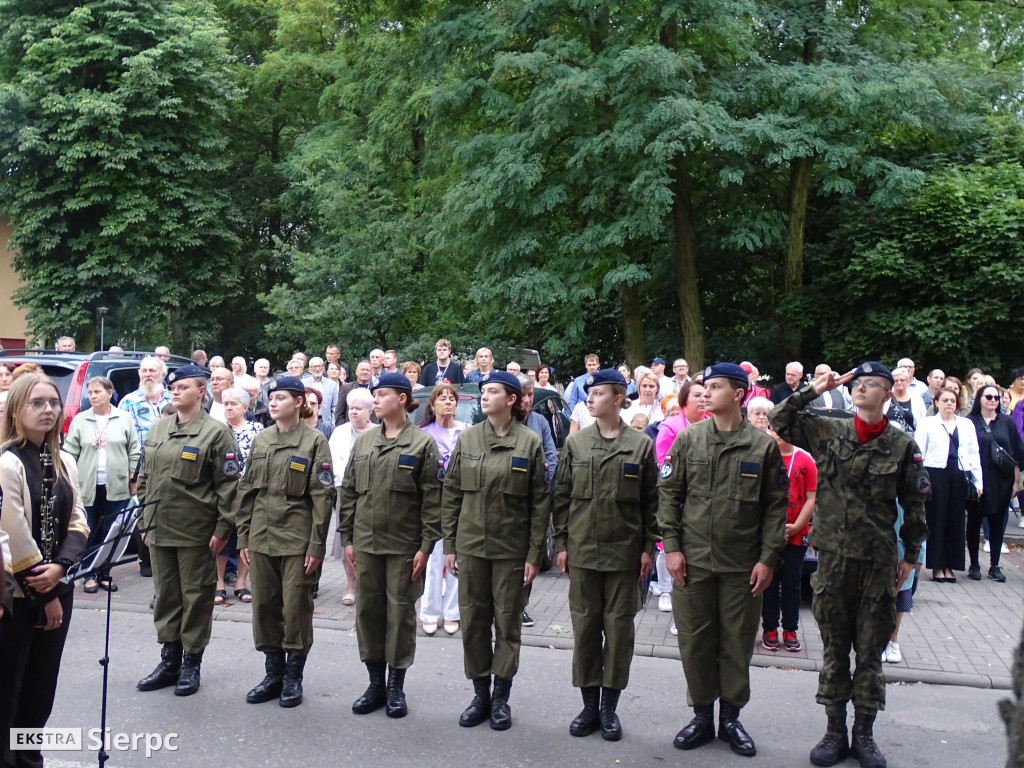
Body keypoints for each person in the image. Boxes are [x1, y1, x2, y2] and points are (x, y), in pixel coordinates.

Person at [769, 361, 930, 768]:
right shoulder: (830, 429)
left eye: (871, 384)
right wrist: (813, 388)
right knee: (835, 650)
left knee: (871, 653)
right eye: (857, 384)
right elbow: (779, 419)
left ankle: (865, 734)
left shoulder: (902, 445)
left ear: (887, 394)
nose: (861, 389)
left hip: (877, 562)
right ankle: (834, 730)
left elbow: (915, 505)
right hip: (834, 561)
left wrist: (911, 556)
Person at [659, 363, 787, 758]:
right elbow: (667, 496)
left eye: (715, 387)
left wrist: (768, 559)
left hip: (741, 565)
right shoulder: (688, 440)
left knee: (736, 644)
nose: (705, 393)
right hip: (693, 561)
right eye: (704, 387)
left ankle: (731, 718)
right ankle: (701, 716)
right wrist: (673, 548)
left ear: (738, 394)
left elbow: (775, 508)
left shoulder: (762, 446)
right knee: (696, 642)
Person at [552, 369, 658, 741]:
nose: (590, 399)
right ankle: (588, 705)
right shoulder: (576, 445)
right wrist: (561, 544)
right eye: (589, 393)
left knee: (618, 632)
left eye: (597, 393)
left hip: (625, 554)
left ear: (617, 399)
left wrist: (648, 549)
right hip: (582, 551)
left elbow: (651, 503)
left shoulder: (640, 445)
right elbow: (561, 497)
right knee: (584, 630)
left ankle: (609, 708)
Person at [441, 371, 548, 731]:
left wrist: (534, 554)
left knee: (507, 624)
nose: (484, 396)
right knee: (472, 623)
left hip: (512, 551)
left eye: (492, 391)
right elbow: (452, 493)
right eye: (483, 391)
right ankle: (480, 693)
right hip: (471, 547)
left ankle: (501, 697)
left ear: (512, 399)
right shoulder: (468, 439)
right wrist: (450, 546)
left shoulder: (529, 442)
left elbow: (539, 503)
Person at [338, 373, 442, 718]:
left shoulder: (421, 444)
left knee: (400, 617)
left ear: (402, 399)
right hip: (366, 543)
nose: (376, 400)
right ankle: (374, 684)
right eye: (374, 395)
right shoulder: (365, 443)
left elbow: (431, 500)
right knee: (368, 613)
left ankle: (396, 686)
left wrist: (426, 546)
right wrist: (347, 538)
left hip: (403, 545)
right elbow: (349, 491)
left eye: (382, 394)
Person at [0, 373, 89, 768]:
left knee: (41, 686)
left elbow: (80, 520)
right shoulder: (7, 462)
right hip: (20, 595)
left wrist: (62, 568)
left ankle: (29, 756)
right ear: (16, 409)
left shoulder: (65, 458)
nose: (48, 409)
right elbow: (13, 532)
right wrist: (46, 592)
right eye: (37, 403)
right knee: (9, 687)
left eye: (53, 402)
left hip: (58, 584)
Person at [135, 364, 238, 697]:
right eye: (173, 387)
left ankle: (191, 663)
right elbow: (145, 479)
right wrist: (143, 521)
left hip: (197, 531)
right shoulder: (158, 429)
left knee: (195, 597)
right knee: (166, 596)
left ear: (201, 392)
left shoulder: (216, 432)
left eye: (183, 387)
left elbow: (228, 486)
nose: (175, 391)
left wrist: (223, 529)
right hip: (160, 529)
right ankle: (169, 660)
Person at [236, 376, 334, 708]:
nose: (273, 403)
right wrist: (243, 536)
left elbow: (323, 497)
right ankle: (273, 673)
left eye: (280, 397)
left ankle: (294, 677)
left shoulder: (314, 441)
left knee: (295, 608)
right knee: (264, 607)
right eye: (271, 397)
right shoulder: (261, 440)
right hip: (262, 536)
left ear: (298, 401)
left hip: (296, 538)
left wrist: (316, 545)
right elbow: (247, 490)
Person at [746, 397, 815, 654]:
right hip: (767, 535)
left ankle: (790, 629)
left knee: (792, 583)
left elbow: (812, 497)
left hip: (796, 534)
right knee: (768, 582)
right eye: (775, 429)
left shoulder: (805, 459)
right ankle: (770, 629)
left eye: (784, 429)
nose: (779, 433)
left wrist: (797, 525)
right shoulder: (762, 457)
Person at [64, 376, 141, 593]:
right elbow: (69, 453)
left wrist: (133, 479)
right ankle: (88, 573)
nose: (93, 396)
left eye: (97, 392)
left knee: (111, 532)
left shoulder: (123, 418)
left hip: (117, 485)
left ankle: (105, 572)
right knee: (88, 529)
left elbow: (134, 450)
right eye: (90, 393)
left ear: (109, 393)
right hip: (86, 485)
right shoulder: (81, 419)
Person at [917, 389, 981, 583]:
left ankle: (950, 566)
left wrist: (978, 481)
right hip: (935, 474)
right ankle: (937, 566)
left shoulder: (966, 424)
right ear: (936, 403)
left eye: (952, 401)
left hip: (959, 474)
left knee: (956, 519)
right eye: (945, 400)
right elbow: (919, 452)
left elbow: (973, 453)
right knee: (936, 519)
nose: (949, 404)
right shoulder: (928, 423)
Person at [418, 384, 466, 635]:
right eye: (442, 399)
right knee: (435, 559)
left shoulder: (466, 432)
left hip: (459, 504)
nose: (448, 403)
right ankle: (429, 612)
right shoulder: (424, 434)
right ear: (432, 404)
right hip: (434, 504)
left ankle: (452, 613)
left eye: (452, 399)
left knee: (455, 558)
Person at [966, 384, 1024, 582]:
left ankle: (995, 565)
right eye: (988, 396)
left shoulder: (1006, 422)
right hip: (977, 479)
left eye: (996, 398)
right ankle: (974, 564)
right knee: (974, 522)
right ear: (979, 398)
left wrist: (1016, 482)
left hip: (1002, 480)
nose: (993, 400)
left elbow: (1016, 452)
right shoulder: (969, 422)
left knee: (998, 524)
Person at [327, 388, 377, 606]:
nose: (353, 412)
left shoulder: (378, 432)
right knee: (347, 538)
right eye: (351, 408)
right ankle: (350, 584)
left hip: (373, 491)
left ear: (370, 410)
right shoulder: (340, 432)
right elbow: (333, 461)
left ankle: (369, 584)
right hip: (345, 491)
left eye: (358, 408)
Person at [518, 373, 558, 627]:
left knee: (529, 555)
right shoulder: (507, 422)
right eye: (524, 395)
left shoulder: (540, 421)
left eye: (531, 394)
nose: (528, 400)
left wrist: (542, 484)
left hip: (533, 500)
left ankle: (520, 606)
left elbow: (551, 457)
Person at [218, 387, 263, 605]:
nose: (228, 407)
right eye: (226, 403)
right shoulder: (216, 429)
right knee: (222, 537)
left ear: (245, 407)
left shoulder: (257, 429)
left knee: (245, 538)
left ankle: (241, 582)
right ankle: (218, 583)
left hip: (248, 494)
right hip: (221, 494)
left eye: (233, 404)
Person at [883, 504, 925, 665]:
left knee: (899, 598)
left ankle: (893, 641)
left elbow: (919, 518)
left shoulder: (910, 481)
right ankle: (879, 640)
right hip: (878, 546)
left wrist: (918, 556)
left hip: (903, 550)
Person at [655, 380, 708, 467]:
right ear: (684, 399)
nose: (703, 399)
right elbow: (665, 464)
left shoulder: (716, 424)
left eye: (706, 395)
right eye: (697, 395)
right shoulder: (670, 427)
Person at [884, 367, 926, 436]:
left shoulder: (917, 400)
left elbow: (923, 422)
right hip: (889, 440)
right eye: (896, 380)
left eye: (902, 380)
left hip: (910, 442)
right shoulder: (885, 399)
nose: (899, 382)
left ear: (907, 382)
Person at [335, 360, 373, 425]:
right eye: (362, 370)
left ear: (371, 373)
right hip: (350, 429)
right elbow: (339, 413)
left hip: (372, 429)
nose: (364, 372)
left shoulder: (377, 389)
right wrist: (345, 429)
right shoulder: (346, 388)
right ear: (356, 372)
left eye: (367, 370)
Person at [303, 357, 338, 421]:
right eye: (314, 367)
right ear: (309, 369)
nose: (317, 369)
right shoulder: (303, 383)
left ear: (323, 368)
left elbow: (335, 406)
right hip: (307, 421)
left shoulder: (332, 385)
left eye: (319, 366)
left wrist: (332, 423)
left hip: (326, 423)